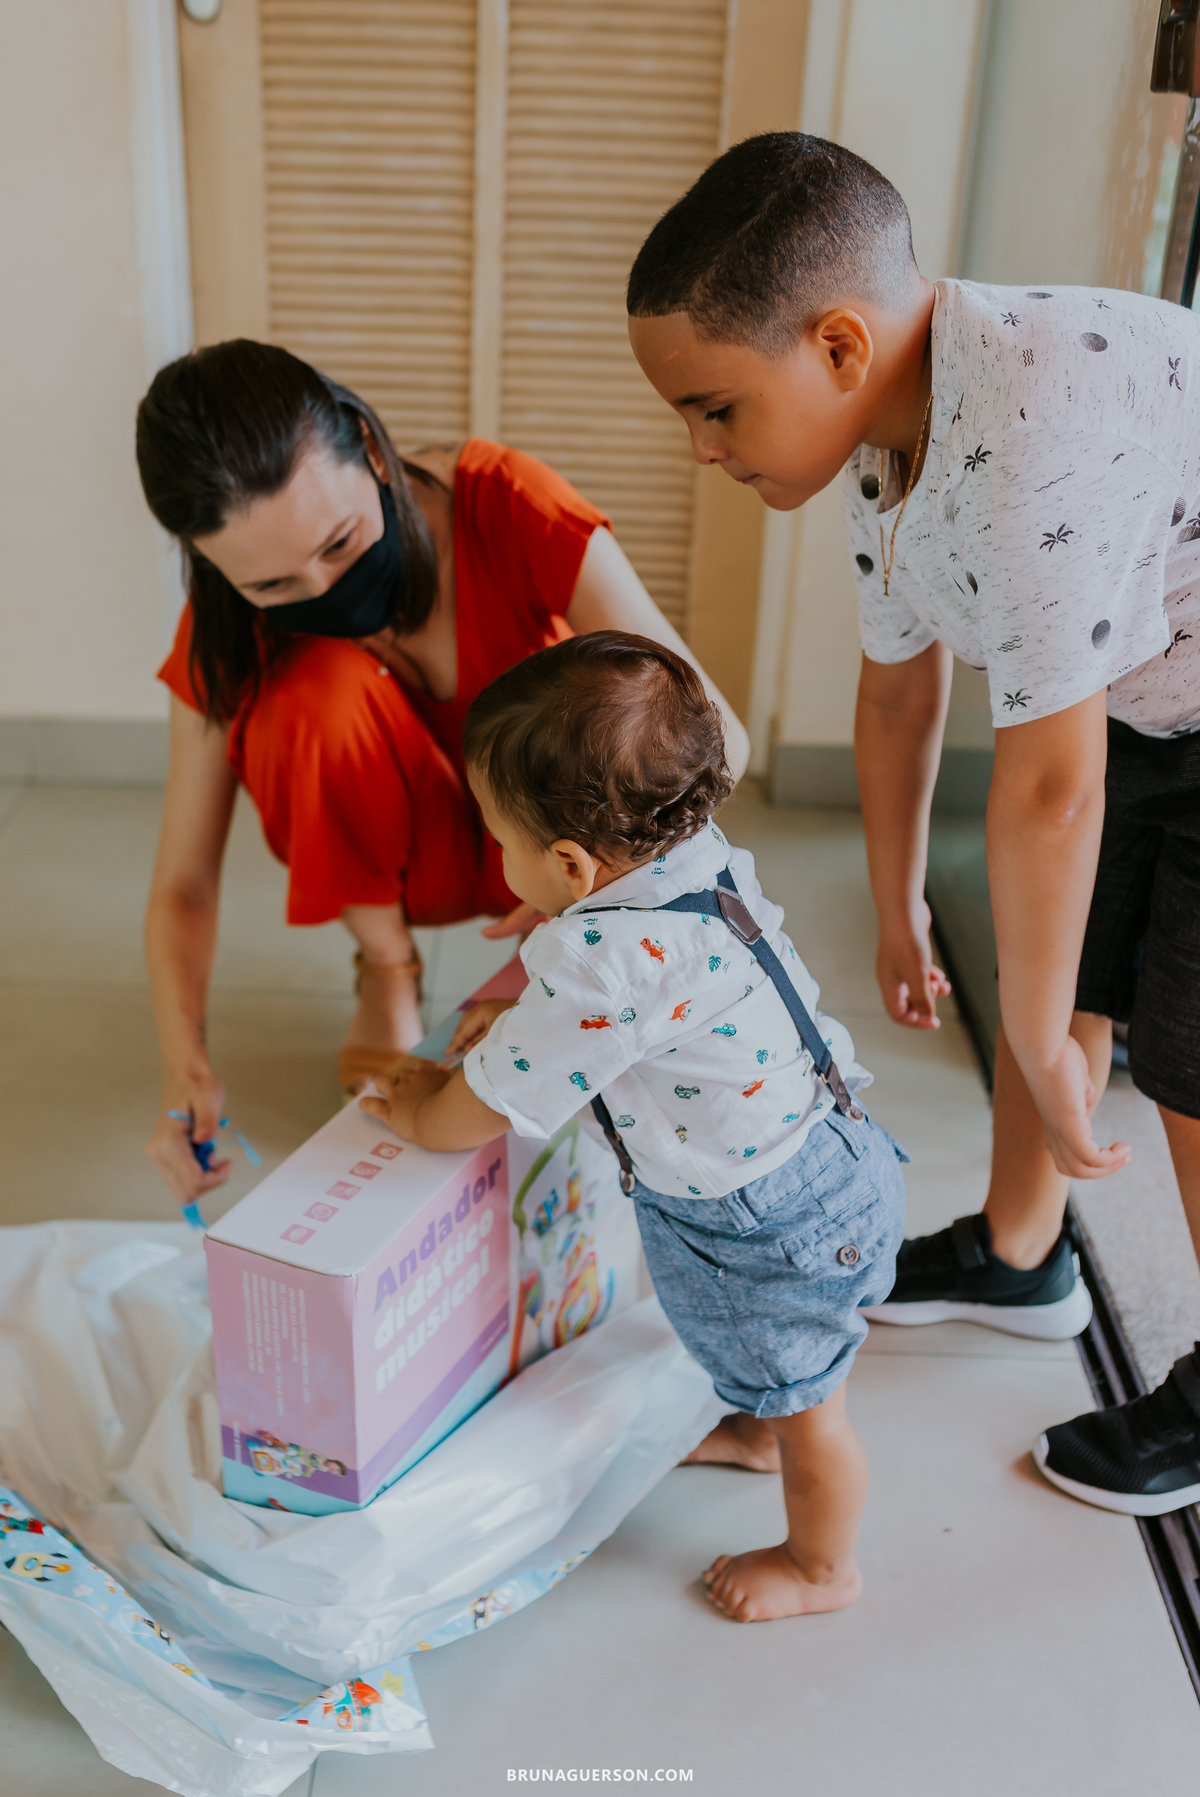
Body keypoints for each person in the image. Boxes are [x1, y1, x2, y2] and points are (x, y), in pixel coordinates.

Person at [624, 132, 1200, 1517]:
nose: (703, 450)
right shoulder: (886, 434)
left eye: (716, 409)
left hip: (1165, 691)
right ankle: (1021, 1254)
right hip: (1153, 679)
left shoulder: (1032, 432)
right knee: (1067, 962)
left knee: (1186, 1052)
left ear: (837, 344)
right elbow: (898, 689)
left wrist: (1037, 1043)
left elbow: (1051, 788)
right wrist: (898, 907)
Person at [361, 630, 908, 1623]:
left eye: (499, 839)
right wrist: (531, 998)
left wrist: (411, 1100)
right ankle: (755, 1430)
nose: (498, 857)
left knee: (815, 1409)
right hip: (838, 1149)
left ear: (572, 864)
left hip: (767, 1231)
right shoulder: (694, 851)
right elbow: (635, 993)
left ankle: (823, 1568)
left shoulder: (601, 969)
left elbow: (475, 1112)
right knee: (780, 1376)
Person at [135, 340, 748, 1212]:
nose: (325, 586)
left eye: (340, 541)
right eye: (273, 583)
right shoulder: (225, 624)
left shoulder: (504, 500)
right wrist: (183, 1066)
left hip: (561, 846)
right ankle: (388, 968)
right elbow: (184, 882)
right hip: (398, 865)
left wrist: (601, 880)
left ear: (370, 449)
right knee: (314, 693)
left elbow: (721, 739)